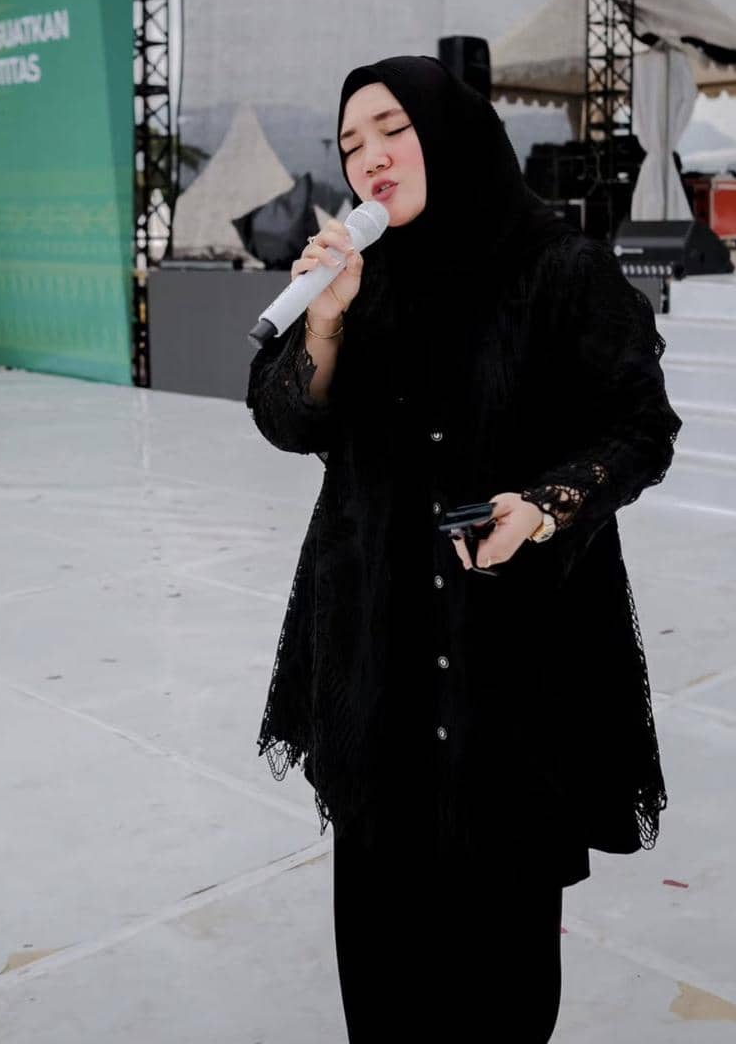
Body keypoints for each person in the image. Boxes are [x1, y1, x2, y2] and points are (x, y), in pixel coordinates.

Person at [246, 55, 683, 1042]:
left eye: (391, 130)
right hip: (377, 638)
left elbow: (639, 426)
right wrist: (325, 320)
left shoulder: (558, 269)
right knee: (381, 956)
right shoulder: (357, 280)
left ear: (450, 135)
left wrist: (544, 506)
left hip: (514, 658)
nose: (369, 158)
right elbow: (285, 420)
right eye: (350, 144)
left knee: (502, 969)